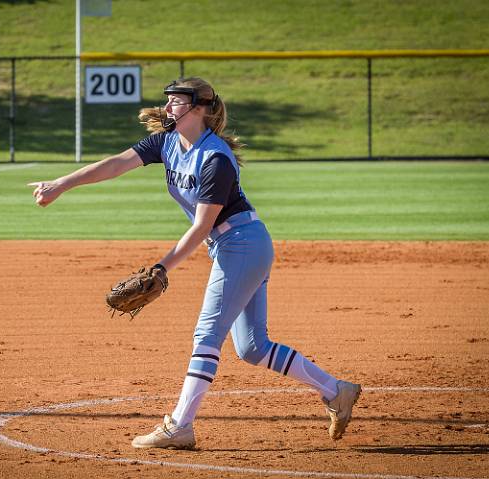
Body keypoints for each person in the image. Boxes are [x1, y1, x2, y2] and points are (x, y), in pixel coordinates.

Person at [29, 77, 361, 449]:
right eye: (168, 101)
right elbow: (117, 164)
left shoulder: (215, 158)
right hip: (235, 246)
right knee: (252, 347)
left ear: (199, 108)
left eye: (177, 101)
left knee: (206, 337)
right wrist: (61, 183)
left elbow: (203, 224)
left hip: (242, 245)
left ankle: (180, 426)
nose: (168, 107)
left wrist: (161, 267)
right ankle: (336, 391)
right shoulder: (168, 142)